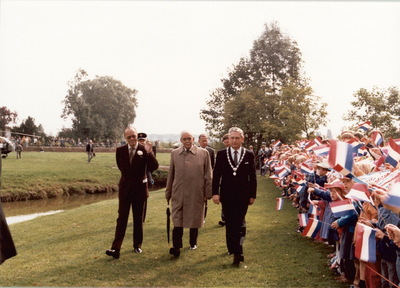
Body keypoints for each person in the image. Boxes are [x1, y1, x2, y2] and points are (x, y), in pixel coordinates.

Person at [106, 127, 158, 259]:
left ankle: (137, 245)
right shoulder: (120, 150)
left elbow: (154, 166)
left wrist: (149, 153)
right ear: (125, 138)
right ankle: (115, 248)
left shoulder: (144, 150)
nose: (132, 139)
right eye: (129, 137)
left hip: (139, 190)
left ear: (137, 136)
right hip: (125, 190)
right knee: (121, 219)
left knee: (138, 218)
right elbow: (121, 167)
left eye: (134, 136)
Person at [212, 127, 257, 266]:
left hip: (243, 195)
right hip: (226, 195)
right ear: (229, 139)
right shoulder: (221, 154)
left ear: (242, 139)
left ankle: (238, 252)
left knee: (239, 222)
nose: (234, 140)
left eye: (237, 138)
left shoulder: (249, 154)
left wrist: (252, 195)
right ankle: (231, 248)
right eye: (232, 138)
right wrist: (215, 193)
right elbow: (216, 175)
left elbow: (253, 177)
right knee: (230, 223)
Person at [166, 130, 212, 257]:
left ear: (193, 139)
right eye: (184, 139)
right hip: (178, 192)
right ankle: (176, 246)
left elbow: (208, 174)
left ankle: (193, 242)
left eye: (189, 139)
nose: (187, 141)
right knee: (177, 219)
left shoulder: (203, 153)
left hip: (196, 191)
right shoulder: (175, 154)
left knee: (194, 217)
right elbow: (171, 175)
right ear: (181, 140)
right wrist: (168, 192)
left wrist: (208, 192)